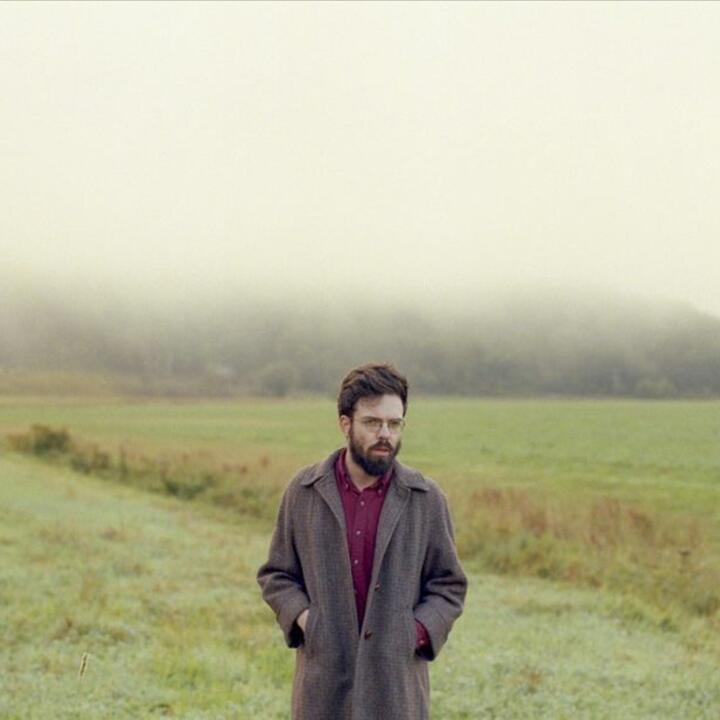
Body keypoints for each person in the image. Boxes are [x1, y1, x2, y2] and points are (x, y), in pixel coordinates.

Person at [257, 362, 467, 720]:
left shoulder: (426, 499)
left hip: (396, 690)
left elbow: (448, 585)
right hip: (322, 687)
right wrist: (309, 621)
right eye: (372, 422)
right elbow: (277, 575)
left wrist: (413, 634)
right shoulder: (303, 492)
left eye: (394, 424)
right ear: (345, 424)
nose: (385, 434)